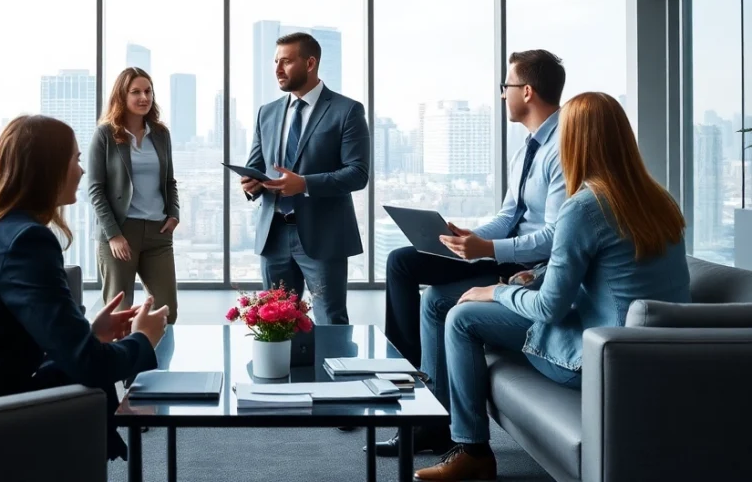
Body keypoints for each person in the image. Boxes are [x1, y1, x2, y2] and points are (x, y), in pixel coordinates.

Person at [412, 92, 691, 481]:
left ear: (574, 142)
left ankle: (473, 452)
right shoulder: (659, 199)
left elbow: (549, 309)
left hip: (597, 355)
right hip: (654, 351)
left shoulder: (585, 206)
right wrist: (535, 277)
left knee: (461, 318)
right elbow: (609, 271)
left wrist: (495, 291)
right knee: (470, 307)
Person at [0, 115, 168, 461]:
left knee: (77, 374)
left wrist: (91, 334)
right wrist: (143, 339)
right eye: (75, 159)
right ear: (48, 169)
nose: (81, 171)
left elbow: (12, 338)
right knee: (87, 377)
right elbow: (88, 364)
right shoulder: (26, 241)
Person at [376, 49, 567, 457]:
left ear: (527, 91)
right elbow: (510, 214)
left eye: (506, 86)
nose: (502, 95)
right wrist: (470, 239)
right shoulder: (527, 148)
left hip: (529, 266)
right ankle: (416, 389)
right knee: (402, 261)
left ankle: (426, 411)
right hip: (501, 253)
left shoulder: (563, 148)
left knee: (434, 298)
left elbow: (555, 237)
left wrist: (488, 249)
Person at [241, 32, 370, 325]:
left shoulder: (347, 110)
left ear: (310, 63)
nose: (277, 69)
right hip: (273, 234)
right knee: (275, 325)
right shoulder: (267, 113)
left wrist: (305, 184)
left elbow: (357, 174)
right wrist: (250, 185)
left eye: (286, 61)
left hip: (323, 236)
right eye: (276, 61)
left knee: (330, 322)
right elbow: (255, 166)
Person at [89, 67, 180, 324]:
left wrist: (174, 214)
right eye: (136, 92)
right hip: (120, 231)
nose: (144, 97)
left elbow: (169, 181)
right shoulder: (105, 134)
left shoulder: (160, 134)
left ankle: (153, 352)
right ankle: (123, 352)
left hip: (158, 232)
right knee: (118, 313)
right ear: (122, 95)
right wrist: (113, 235)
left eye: (148, 91)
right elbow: (95, 189)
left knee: (167, 312)